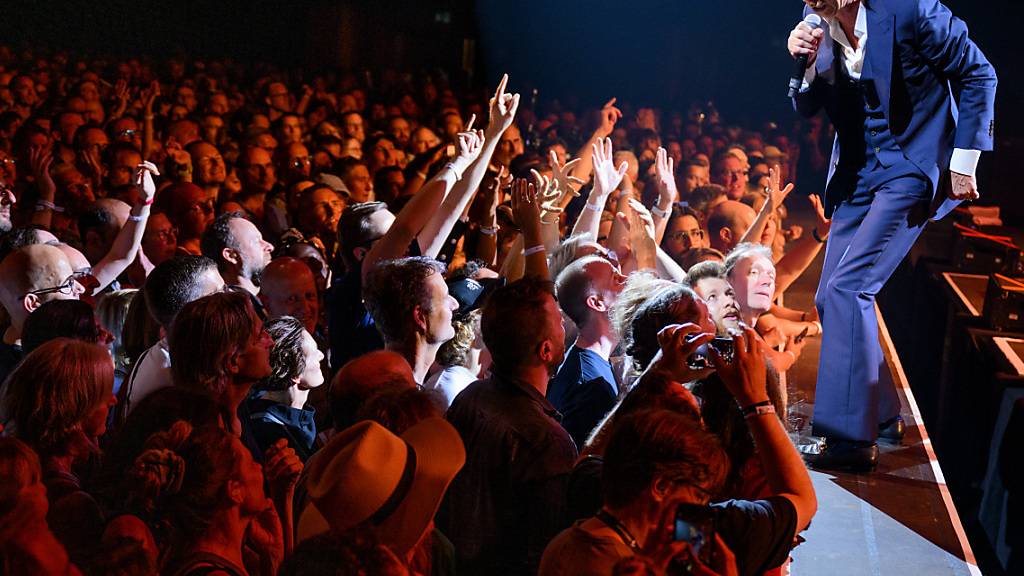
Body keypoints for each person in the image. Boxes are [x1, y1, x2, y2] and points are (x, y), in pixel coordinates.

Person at [789, 0, 996, 471]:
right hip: (859, 172)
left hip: (910, 165)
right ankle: (881, 413)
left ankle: (850, 441)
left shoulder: (912, 10)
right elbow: (806, 106)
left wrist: (965, 160)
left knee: (850, 287)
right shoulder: (813, 17)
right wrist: (801, 63)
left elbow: (980, 73)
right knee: (828, 297)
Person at [443, 278, 578, 575]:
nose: (564, 325)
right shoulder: (546, 442)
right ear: (545, 350)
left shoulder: (470, 397)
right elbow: (543, 551)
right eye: (558, 320)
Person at [4, 338, 117, 566]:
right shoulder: (72, 507)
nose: (113, 400)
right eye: (103, 396)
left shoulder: (19, 468)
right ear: (75, 412)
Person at [116, 255, 224, 421]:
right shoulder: (175, 377)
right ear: (193, 309)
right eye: (220, 293)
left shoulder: (178, 353)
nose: (232, 297)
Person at [550, 255, 627, 448]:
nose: (627, 280)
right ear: (597, 303)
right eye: (616, 279)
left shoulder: (589, 365)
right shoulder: (591, 385)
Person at [363, 256, 459, 384]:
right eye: (446, 297)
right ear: (420, 317)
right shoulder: (398, 396)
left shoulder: (383, 381)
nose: (455, 304)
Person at [247, 316, 325, 461]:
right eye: (313, 353)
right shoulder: (272, 434)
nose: (321, 355)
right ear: (295, 373)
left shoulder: (294, 417)